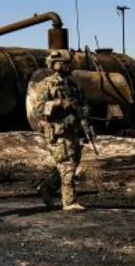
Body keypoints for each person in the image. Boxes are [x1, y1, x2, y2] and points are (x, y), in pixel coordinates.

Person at [32, 49, 91, 212]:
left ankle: (47, 188)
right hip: (57, 131)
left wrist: (85, 122)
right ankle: (69, 202)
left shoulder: (73, 84)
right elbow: (38, 109)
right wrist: (58, 103)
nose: (69, 66)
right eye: (66, 63)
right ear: (56, 65)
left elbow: (83, 104)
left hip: (72, 130)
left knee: (73, 161)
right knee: (67, 165)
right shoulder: (45, 84)